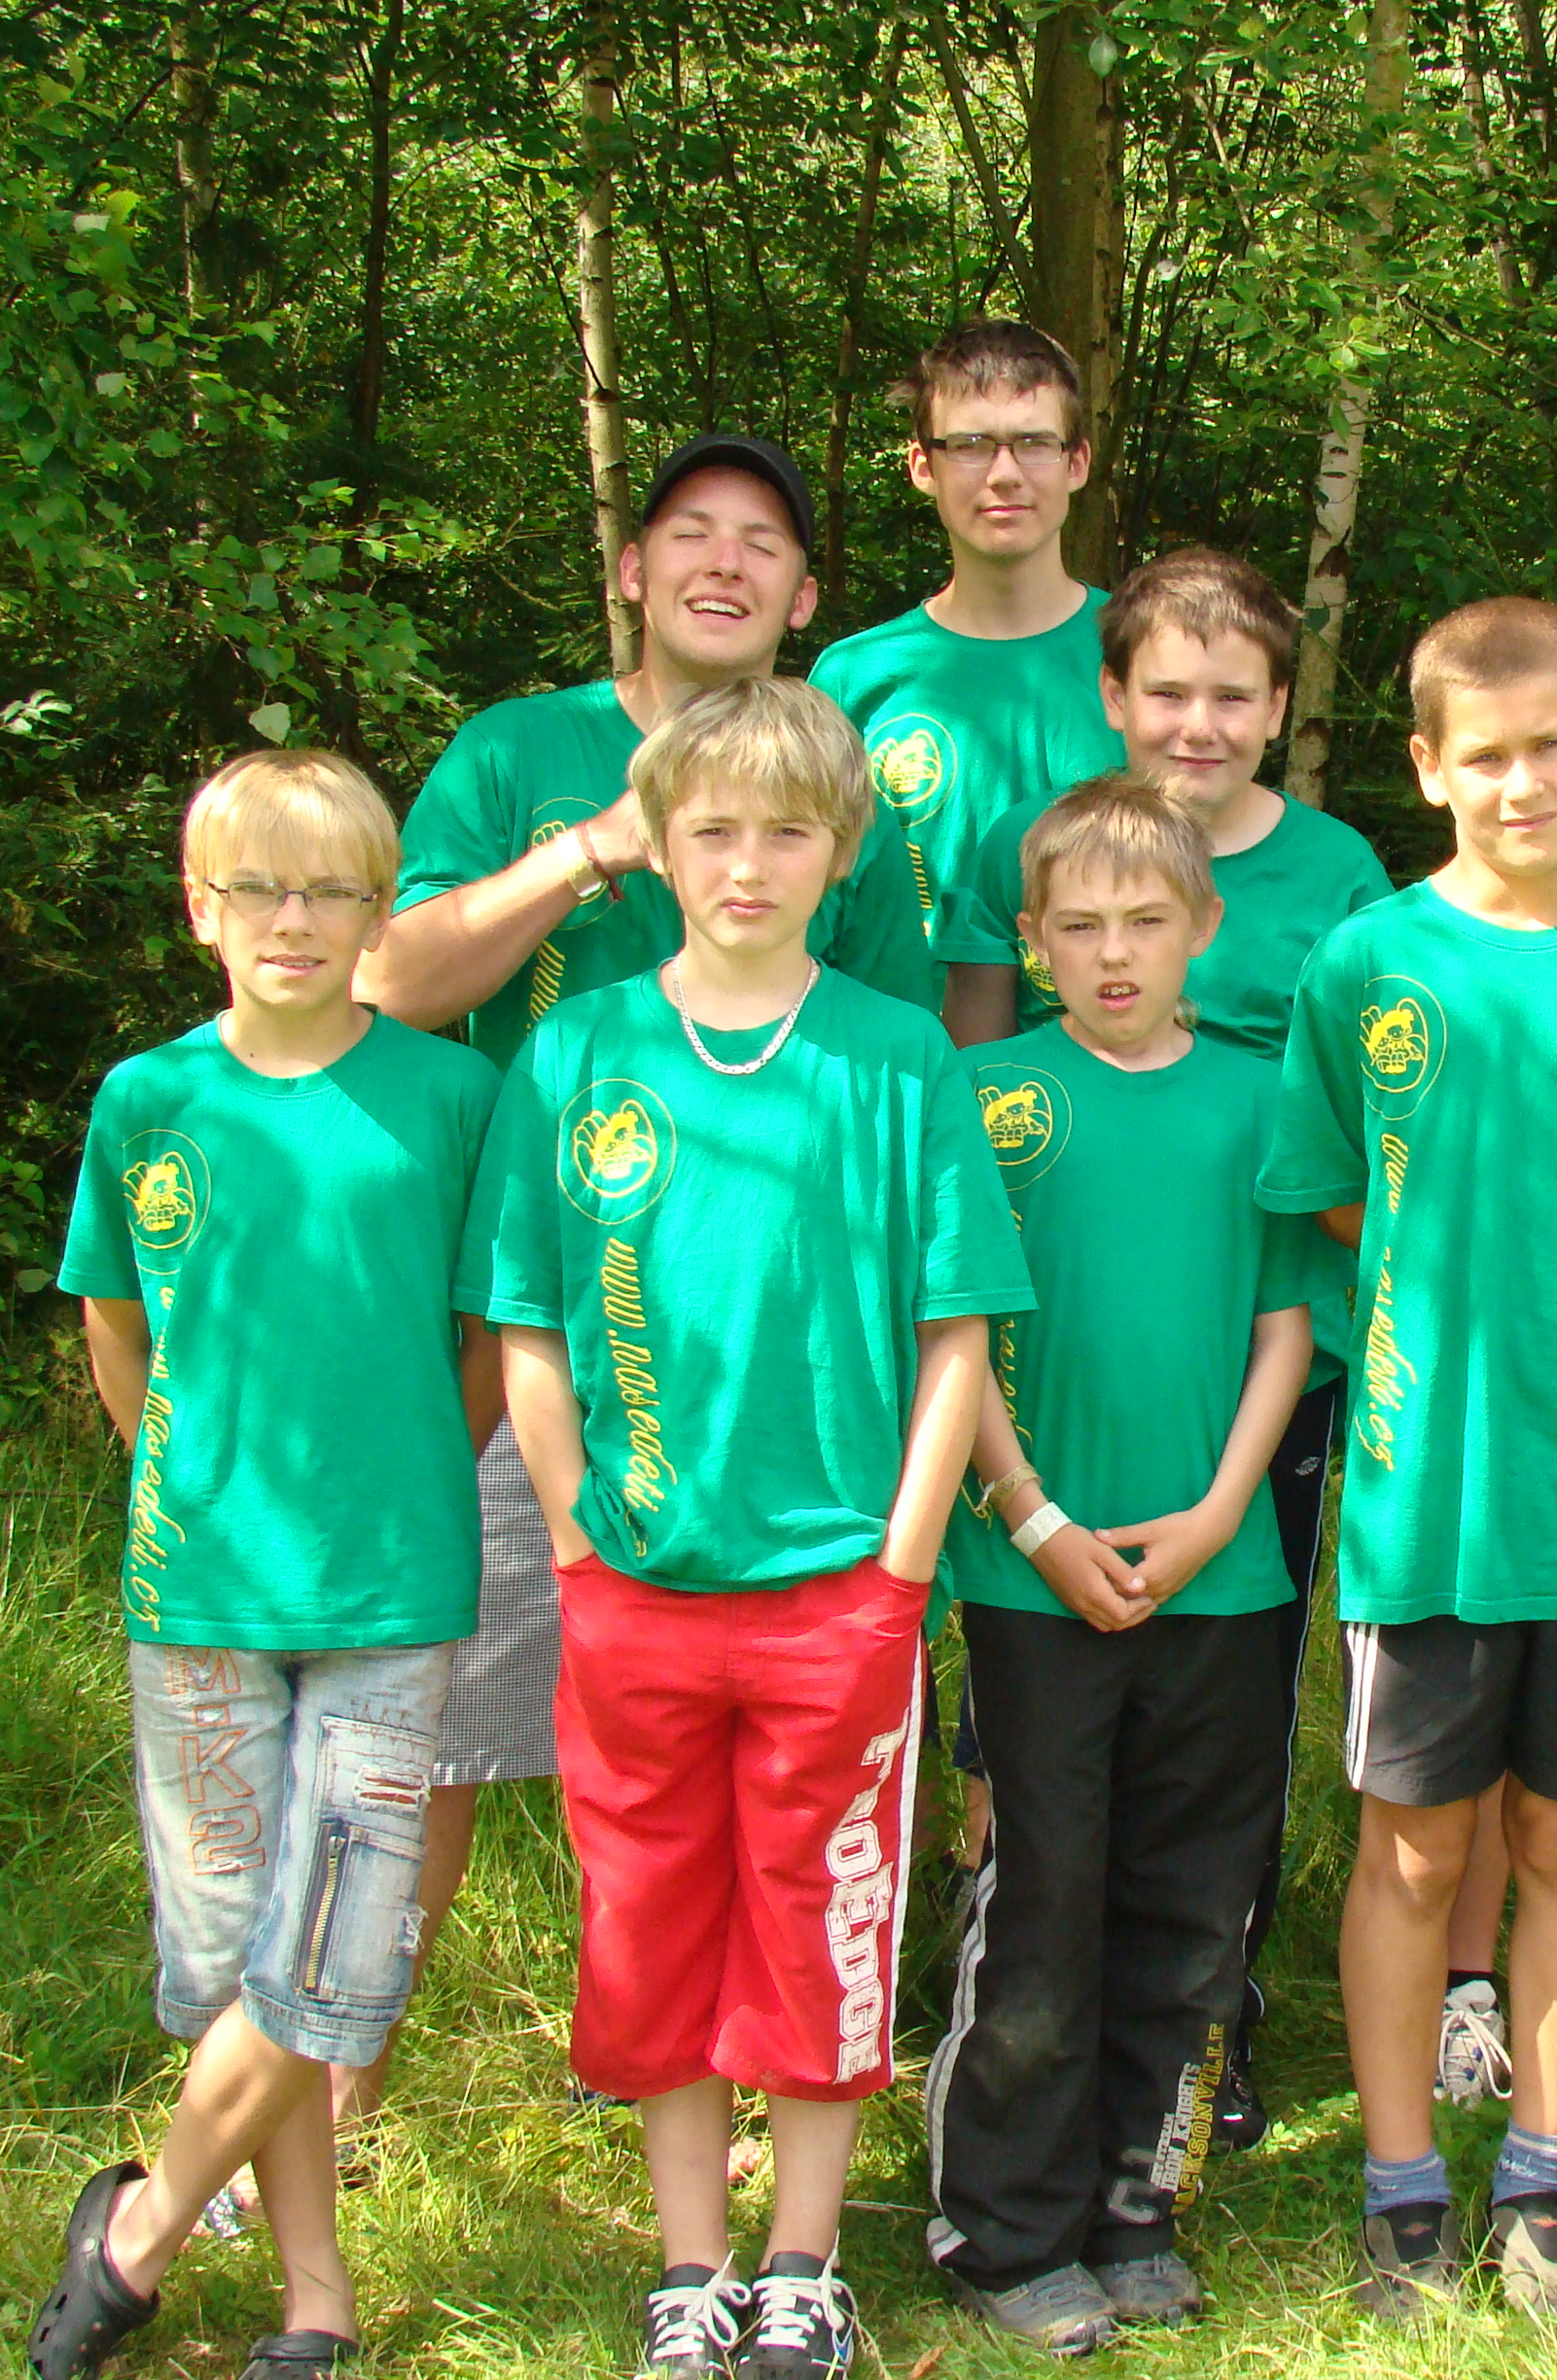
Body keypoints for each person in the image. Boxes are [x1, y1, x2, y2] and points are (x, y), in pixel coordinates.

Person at [457, 677, 1029, 2380]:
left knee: (818, 1923)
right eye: (711, 829)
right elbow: (527, 1320)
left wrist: (901, 1569)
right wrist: (574, 1538)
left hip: (836, 1590)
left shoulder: (895, 1055)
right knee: (652, 1922)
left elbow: (955, 1334)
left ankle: (800, 2263)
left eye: (789, 831)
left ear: (843, 853)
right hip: (634, 1585)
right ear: (656, 844)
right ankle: (690, 2265)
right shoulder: (579, 1050)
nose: (748, 862)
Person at [350, 433, 919, 2122]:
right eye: (691, 533)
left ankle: (748, 2096)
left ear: (804, 598)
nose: (723, 562)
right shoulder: (516, 751)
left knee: (773, 1750)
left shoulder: (834, 786)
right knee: (435, 1718)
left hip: (769, 1371)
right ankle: (341, 2090)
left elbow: (895, 1060)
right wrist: (596, 847)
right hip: (521, 1322)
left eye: (763, 543)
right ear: (632, 566)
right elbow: (390, 977)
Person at [1259, 598, 1557, 2321]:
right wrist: (1447, 1260)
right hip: (1428, 1488)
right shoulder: (1367, 962)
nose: (1521, 782)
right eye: (1485, 755)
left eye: (1550, 746)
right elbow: (1323, 1186)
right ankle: (1401, 2191)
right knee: (1411, 1849)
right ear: (1427, 767)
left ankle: (1539, 2183)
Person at [30, 752, 503, 2380]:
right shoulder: (148, 1097)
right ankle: (315, 2296)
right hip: (201, 1584)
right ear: (200, 908)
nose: (294, 919)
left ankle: (135, 2237)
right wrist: (189, 1476)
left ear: (380, 912)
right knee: (247, 1961)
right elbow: (118, 1323)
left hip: (390, 1586)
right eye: (259, 888)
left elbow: (485, 1337)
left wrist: (411, 1472)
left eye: (332, 890)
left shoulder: (448, 1096)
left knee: (334, 1956)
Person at [933, 546, 1394, 2146]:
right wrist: (1023, 1501)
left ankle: (1190, 2080)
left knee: (1210, 1768)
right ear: (1114, 696)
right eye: (1166, 691)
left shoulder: (1334, 880)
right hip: (1053, 1416)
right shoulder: (1032, 907)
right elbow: (967, 1234)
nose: (1197, 722)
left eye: (1230, 694)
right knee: (1046, 1784)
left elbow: (1357, 1141)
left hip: (1253, 1409)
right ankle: (1014, 2099)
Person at [923, 779, 1325, 2352]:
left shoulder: (1257, 1099)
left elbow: (1285, 1321)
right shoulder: (981, 1091)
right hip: (1031, 1571)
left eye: (1144, 921)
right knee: (1042, 1893)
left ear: (1201, 928)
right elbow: (950, 1324)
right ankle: (1003, 2224)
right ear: (1028, 938)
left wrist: (1224, 1508)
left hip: (1216, 1571)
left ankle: (1133, 2199)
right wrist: (1027, 1514)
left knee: (1190, 1896)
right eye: (1077, 925)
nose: (1111, 953)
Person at [809, 319, 1130, 1032]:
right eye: (970, 444)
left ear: (1078, 462)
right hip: (898, 1064)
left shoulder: (1145, 658)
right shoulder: (854, 677)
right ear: (922, 466)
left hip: (1110, 1068)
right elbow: (812, 897)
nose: (1004, 473)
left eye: (1034, 442)